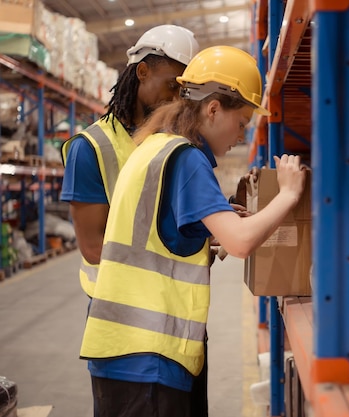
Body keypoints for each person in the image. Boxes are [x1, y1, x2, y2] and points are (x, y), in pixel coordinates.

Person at [78, 45, 306, 417]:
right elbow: (241, 241)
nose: (241, 136)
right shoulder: (187, 159)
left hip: (125, 353)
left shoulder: (156, 146)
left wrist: (205, 223)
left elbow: (157, 233)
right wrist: (289, 194)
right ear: (213, 109)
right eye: (242, 123)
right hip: (148, 357)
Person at [59, 25, 206, 416]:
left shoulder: (174, 144)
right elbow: (93, 249)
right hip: (129, 338)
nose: (178, 98)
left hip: (180, 329)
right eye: (172, 84)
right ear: (142, 71)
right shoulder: (92, 149)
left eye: (184, 90)